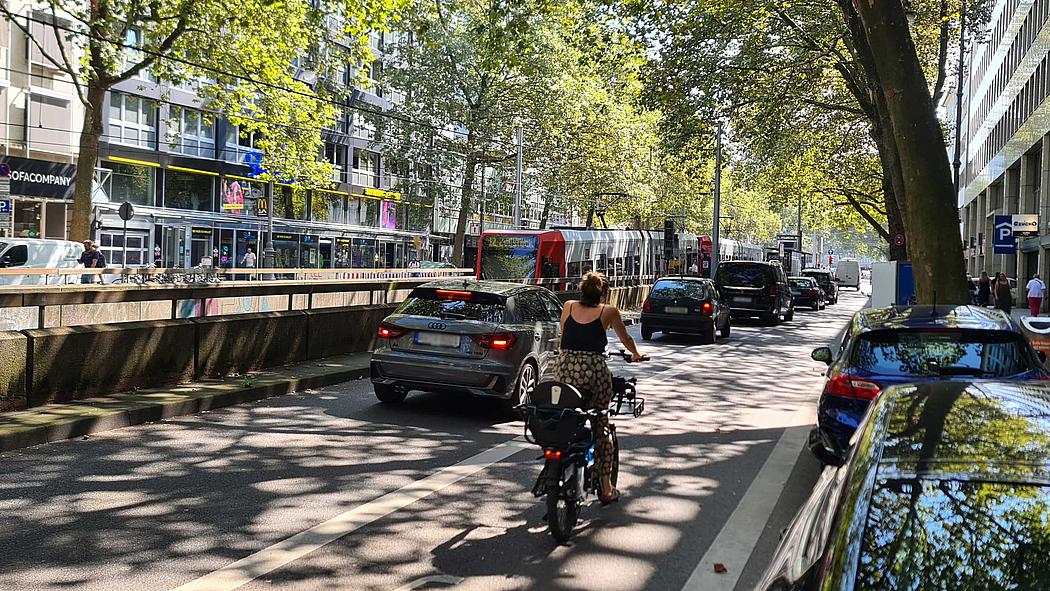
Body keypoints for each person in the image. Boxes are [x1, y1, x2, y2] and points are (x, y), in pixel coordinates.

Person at [556, 271, 646, 504]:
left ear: (581, 291)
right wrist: (636, 355)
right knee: (601, 425)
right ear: (604, 294)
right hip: (594, 373)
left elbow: (564, 335)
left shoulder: (568, 306)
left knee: (567, 413)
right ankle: (606, 488)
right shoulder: (608, 311)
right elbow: (625, 339)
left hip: (564, 370)